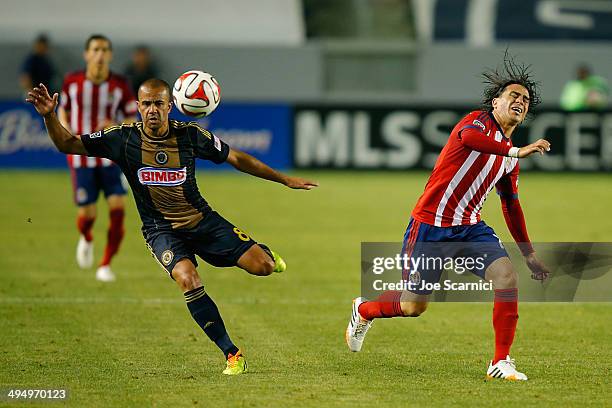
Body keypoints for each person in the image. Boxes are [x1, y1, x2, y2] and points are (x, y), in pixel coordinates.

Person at [26, 78, 318, 375]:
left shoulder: (190, 136)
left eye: (159, 104)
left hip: (203, 221)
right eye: (147, 104)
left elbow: (236, 158)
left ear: (170, 106)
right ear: (138, 107)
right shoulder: (121, 138)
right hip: (161, 230)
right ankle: (232, 353)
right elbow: (67, 143)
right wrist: (50, 115)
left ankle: (264, 253)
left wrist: (285, 179)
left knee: (264, 267)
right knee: (188, 279)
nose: (153, 110)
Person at [345, 54, 552, 381]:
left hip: (470, 230)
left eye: (525, 100)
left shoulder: (510, 158)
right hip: (429, 227)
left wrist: (529, 254)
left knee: (506, 278)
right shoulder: (477, 123)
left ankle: (500, 361)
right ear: (495, 102)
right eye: (513, 95)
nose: (520, 101)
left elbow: (512, 206)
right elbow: (468, 141)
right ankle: (364, 310)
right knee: (414, 306)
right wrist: (516, 151)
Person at [58, 34, 137, 282]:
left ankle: (105, 265)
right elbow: (63, 109)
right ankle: (87, 237)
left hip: (110, 157)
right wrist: (65, 133)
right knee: (88, 214)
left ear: (110, 55)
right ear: (87, 54)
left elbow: (132, 118)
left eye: (104, 49)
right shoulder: (72, 82)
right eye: (95, 49)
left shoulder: (120, 85)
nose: (100, 54)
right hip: (81, 157)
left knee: (118, 208)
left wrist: (115, 124)